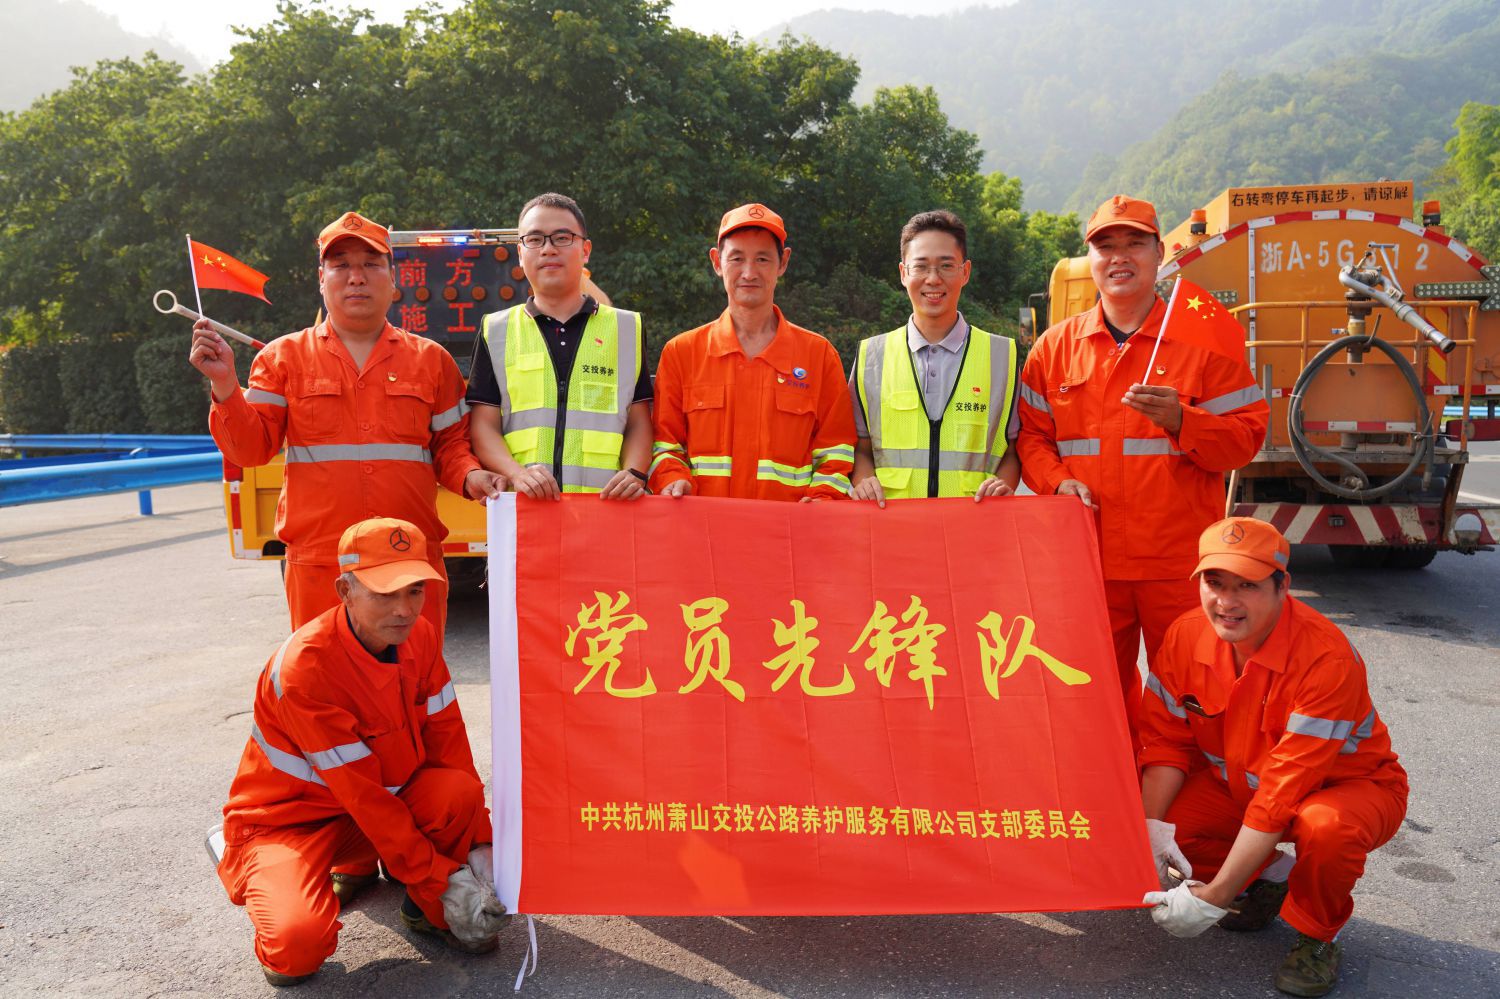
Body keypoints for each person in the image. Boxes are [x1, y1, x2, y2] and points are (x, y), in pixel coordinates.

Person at [215, 518, 509, 986]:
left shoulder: (420, 637)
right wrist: (444, 878)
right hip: (291, 822)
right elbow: (364, 797)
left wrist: (481, 846)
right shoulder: (307, 669)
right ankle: (250, 861)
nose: (404, 609)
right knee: (296, 947)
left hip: (374, 812)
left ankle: (425, 909)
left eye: (415, 590)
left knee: (457, 792)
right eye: (384, 593)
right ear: (344, 590)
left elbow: (451, 749)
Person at [1016, 195, 1268, 741]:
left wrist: (1184, 420)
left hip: (1177, 562)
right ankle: (1115, 788)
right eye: (1106, 246)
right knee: (1092, 699)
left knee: (1196, 696)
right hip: (1088, 559)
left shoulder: (1202, 343)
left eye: (1134, 243)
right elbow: (1032, 438)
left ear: (1159, 254)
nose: (1119, 257)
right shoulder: (1054, 349)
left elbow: (1245, 440)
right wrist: (1058, 482)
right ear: (1090, 259)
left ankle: (1189, 793)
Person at [189, 211, 504, 634]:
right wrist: (226, 384)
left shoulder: (431, 361)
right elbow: (250, 450)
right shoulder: (282, 359)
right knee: (325, 674)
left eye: (371, 264)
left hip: (409, 557)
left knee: (413, 672)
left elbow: (451, 447)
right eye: (341, 266)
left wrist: (472, 477)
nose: (356, 277)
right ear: (322, 280)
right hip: (322, 563)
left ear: (393, 281)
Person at [1139, 517, 1407, 997]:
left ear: (1284, 586)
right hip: (1243, 786)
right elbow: (1166, 742)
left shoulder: (1324, 657)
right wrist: (1150, 833)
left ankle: (1318, 937)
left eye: (1247, 585)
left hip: (1346, 789)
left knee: (1326, 829)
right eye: (1215, 583)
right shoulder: (1184, 636)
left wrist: (1215, 897)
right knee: (1176, 827)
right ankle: (1271, 880)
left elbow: (1285, 790)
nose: (1226, 602)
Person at [650, 203, 856, 500]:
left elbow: (836, 451)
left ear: (783, 262)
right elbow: (664, 444)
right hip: (701, 525)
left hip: (791, 527)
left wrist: (822, 499)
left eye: (762, 259)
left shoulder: (819, 355)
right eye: (737, 258)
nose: (749, 272)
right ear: (716, 261)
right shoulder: (681, 353)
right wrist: (673, 480)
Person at [467, 192, 652, 499]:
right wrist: (517, 473)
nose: (548, 249)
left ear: (585, 250)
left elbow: (639, 421)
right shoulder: (496, 330)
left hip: (607, 508)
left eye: (562, 238)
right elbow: (483, 426)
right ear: (520, 253)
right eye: (535, 239)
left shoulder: (626, 328)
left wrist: (634, 473)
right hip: (525, 508)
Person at [849, 209, 1020, 504]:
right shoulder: (871, 357)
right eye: (921, 266)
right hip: (893, 523)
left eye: (946, 266)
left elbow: (1013, 450)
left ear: (965, 272)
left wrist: (1002, 487)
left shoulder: (1003, 356)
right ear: (903, 273)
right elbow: (860, 449)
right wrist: (864, 482)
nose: (933, 279)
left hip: (974, 523)